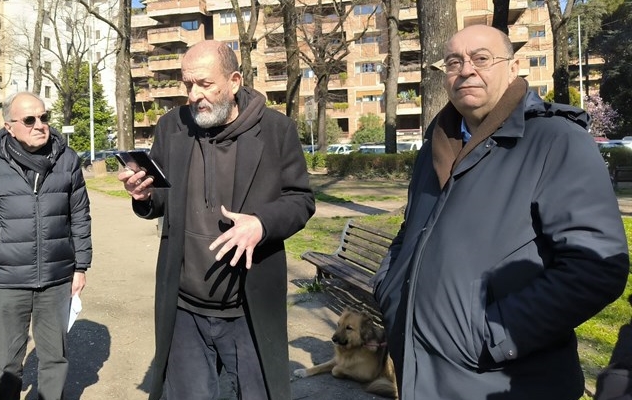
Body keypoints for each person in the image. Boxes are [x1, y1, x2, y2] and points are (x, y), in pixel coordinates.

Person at [372, 24, 629, 400]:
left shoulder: (557, 140)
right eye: (454, 61)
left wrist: (494, 335)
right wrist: (389, 288)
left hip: (506, 381)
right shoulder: (434, 148)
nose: (466, 70)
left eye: (481, 59)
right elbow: (412, 231)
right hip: (421, 374)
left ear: (514, 67)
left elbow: (596, 267)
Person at [118, 40, 315, 400]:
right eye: (187, 84)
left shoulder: (276, 131)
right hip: (185, 308)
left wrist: (261, 224)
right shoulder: (171, 127)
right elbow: (162, 196)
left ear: (235, 81)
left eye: (205, 84)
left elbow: (301, 200)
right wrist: (144, 196)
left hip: (248, 306)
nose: (194, 94)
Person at [0, 91, 92, 400]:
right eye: (29, 119)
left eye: (44, 117)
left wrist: (81, 266)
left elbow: (80, 216)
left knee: (54, 359)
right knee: (7, 363)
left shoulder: (67, 160)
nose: (39, 125)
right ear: (9, 126)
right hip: (6, 281)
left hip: (57, 278)